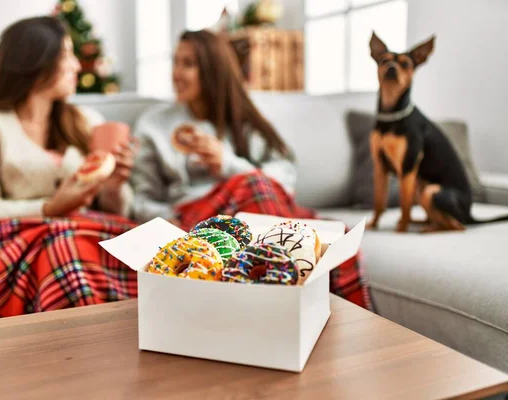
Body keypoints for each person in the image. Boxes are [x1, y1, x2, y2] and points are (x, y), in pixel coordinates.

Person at [131, 30, 369, 308]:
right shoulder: (153, 124)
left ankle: (296, 294)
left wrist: (227, 164)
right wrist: (168, 220)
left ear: (213, 70)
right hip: (195, 218)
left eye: (189, 64)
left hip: (253, 216)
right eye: (176, 62)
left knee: (327, 226)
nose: (176, 73)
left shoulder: (241, 120)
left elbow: (284, 177)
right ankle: (285, 292)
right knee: (253, 184)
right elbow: (142, 198)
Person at [0, 16, 138, 324]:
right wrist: (49, 209)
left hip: (86, 234)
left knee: (129, 246)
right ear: (36, 61)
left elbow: (119, 209)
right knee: (65, 245)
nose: (77, 67)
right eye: (67, 55)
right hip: (21, 243)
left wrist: (115, 184)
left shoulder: (85, 120)